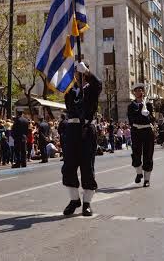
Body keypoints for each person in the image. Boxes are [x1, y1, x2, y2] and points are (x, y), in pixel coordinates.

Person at [62, 61, 102, 217]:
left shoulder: (92, 89)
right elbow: (73, 107)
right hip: (72, 130)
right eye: (76, 73)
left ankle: (86, 203)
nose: (78, 76)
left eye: (81, 73)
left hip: (86, 130)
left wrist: (87, 72)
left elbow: (98, 84)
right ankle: (74, 200)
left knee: (87, 167)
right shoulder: (70, 91)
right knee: (68, 167)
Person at [127, 84, 155, 187]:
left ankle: (147, 180)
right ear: (134, 93)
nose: (139, 92)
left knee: (148, 155)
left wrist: (148, 114)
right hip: (136, 131)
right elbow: (131, 120)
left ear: (143, 92)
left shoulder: (148, 104)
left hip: (147, 131)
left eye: (140, 90)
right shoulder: (131, 106)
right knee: (136, 155)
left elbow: (153, 119)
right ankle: (139, 173)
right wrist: (140, 112)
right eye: (137, 90)